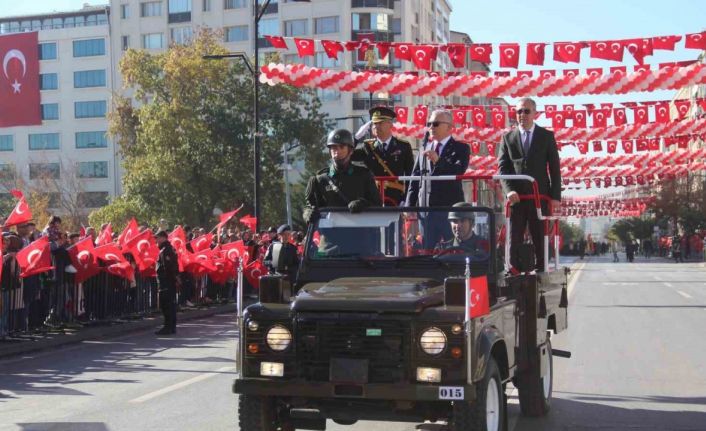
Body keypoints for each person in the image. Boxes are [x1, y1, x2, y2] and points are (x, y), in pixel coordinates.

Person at [498, 97, 561, 272]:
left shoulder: (546, 136)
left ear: (535, 113)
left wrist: (555, 197)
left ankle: (541, 272)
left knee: (540, 237)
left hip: (539, 197)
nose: (522, 115)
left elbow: (555, 169)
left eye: (526, 111)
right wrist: (509, 191)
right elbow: (503, 169)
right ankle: (514, 272)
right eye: (519, 111)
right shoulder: (507, 138)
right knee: (514, 238)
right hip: (517, 199)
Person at [405, 109, 470, 248]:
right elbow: (415, 178)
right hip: (426, 210)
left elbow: (459, 171)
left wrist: (438, 160)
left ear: (449, 127)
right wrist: (409, 205)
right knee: (427, 251)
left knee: (452, 249)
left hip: (449, 209)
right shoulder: (424, 148)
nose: (431, 127)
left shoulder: (461, 148)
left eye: (435, 124)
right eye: (429, 124)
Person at [303, 128, 381, 223]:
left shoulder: (364, 175)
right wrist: (307, 213)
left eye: (342, 147)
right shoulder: (319, 180)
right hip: (331, 233)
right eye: (334, 147)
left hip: (359, 231)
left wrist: (363, 204)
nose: (337, 151)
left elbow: (377, 204)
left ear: (351, 151)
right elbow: (310, 206)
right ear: (329, 151)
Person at [352, 106, 415, 206]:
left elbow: (410, 175)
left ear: (390, 124)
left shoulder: (403, 146)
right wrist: (355, 139)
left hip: (396, 198)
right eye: (374, 123)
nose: (376, 126)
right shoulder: (367, 147)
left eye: (380, 123)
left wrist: (406, 199)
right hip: (373, 198)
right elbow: (347, 156)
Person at [155, 230, 179, 335]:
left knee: (166, 305)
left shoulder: (165, 250)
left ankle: (168, 327)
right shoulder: (169, 249)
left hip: (166, 282)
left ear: (163, 237)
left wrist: (168, 280)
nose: (156, 240)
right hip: (169, 281)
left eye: (157, 237)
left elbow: (168, 267)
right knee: (171, 304)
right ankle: (171, 326)